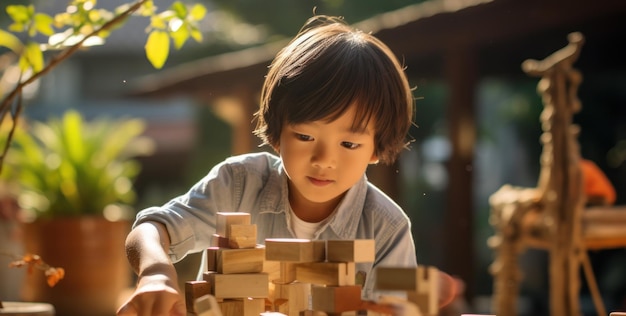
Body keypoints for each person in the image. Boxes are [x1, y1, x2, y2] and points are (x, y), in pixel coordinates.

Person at [117, 15, 456, 316]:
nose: (324, 160)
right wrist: (156, 274)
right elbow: (151, 228)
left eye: (349, 144)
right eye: (305, 137)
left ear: (375, 149)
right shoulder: (237, 184)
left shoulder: (386, 228)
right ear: (277, 134)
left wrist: (406, 302)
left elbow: (398, 301)